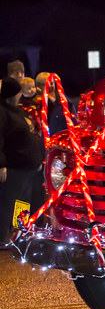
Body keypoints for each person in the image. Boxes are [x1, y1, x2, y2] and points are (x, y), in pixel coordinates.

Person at [1, 76, 45, 245]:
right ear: (14, 94)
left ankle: (17, 233)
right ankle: (3, 237)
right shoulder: (3, 112)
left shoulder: (16, 110)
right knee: (9, 203)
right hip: (14, 167)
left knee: (22, 203)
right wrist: (1, 164)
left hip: (27, 167)